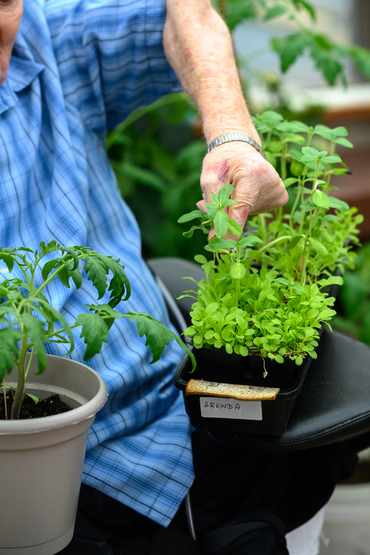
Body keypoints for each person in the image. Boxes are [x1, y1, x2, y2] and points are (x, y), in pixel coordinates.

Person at [0, 0, 358, 553]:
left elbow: (181, 11)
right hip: (50, 481)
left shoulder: (41, 39)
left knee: (308, 450)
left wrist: (231, 136)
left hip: (178, 404)